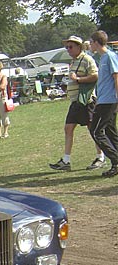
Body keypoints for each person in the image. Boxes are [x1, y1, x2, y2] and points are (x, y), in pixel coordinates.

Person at [49, 35, 104, 171]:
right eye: (66, 47)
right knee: (68, 128)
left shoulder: (87, 59)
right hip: (75, 102)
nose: (68, 49)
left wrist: (78, 79)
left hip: (86, 101)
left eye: (71, 47)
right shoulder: (73, 62)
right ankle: (66, 160)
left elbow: (95, 76)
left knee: (93, 129)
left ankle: (100, 157)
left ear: (79, 47)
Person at [88, 30, 118, 178]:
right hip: (103, 99)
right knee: (110, 131)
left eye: (91, 42)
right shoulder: (103, 58)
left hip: (109, 101)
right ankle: (116, 164)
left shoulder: (110, 56)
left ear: (96, 42)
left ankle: (115, 159)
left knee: (96, 131)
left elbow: (116, 77)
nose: (89, 45)